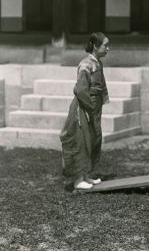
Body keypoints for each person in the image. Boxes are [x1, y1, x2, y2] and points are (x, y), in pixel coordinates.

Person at [60, 32, 110, 190]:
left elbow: (101, 86)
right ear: (95, 46)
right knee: (82, 139)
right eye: (105, 45)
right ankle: (78, 179)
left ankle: (86, 175)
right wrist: (88, 108)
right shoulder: (86, 65)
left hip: (94, 106)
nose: (108, 48)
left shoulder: (98, 63)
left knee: (94, 138)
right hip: (84, 106)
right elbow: (81, 90)